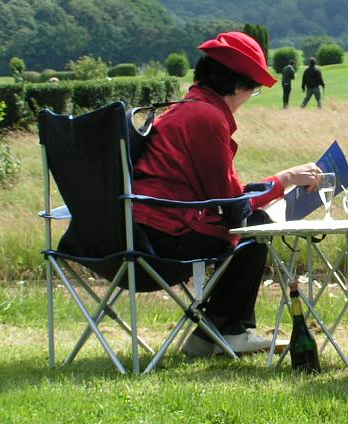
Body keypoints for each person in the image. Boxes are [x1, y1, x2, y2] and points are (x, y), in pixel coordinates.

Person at [132, 31, 324, 357]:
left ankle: (209, 335)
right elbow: (231, 206)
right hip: (162, 242)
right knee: (256, 226)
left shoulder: (188, 109)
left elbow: (224, 195)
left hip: (140, 234)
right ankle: (231, 331)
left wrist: (270, 187)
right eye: (254, 89)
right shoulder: (207, 117)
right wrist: (285, 179)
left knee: (251, 223)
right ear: (237, 85)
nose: (250, 97)